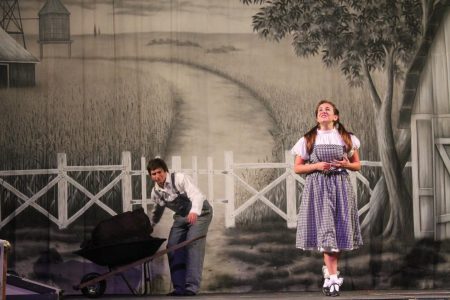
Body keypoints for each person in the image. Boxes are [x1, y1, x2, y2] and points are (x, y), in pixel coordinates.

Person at [291, 100, 363, 297]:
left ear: (335, 117)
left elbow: (357, 165)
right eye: (320, 110)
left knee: (337, 235)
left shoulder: (346, 138)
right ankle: (332, 279)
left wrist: (345, 165)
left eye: (327, 109)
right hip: (318, 188)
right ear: (317, 117)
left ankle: (330, 272)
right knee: (327, 236)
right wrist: (316, 166)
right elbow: (297, 168)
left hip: (340, 187)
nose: (323, 112)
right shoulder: (308, 139)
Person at [147, 158, 213, 297]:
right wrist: (151, 225)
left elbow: (197, 195)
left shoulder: (179, 179)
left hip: (200, 213)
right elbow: (158, 210)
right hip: (182, 217)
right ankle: (179, 288)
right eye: (153, 174)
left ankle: (191, 287)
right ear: (150, 176)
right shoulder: (156, 193)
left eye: (159, 172)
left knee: (192, 244)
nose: (157, 176)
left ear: (165, 171)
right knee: (172, 246)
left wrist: (194, 211)